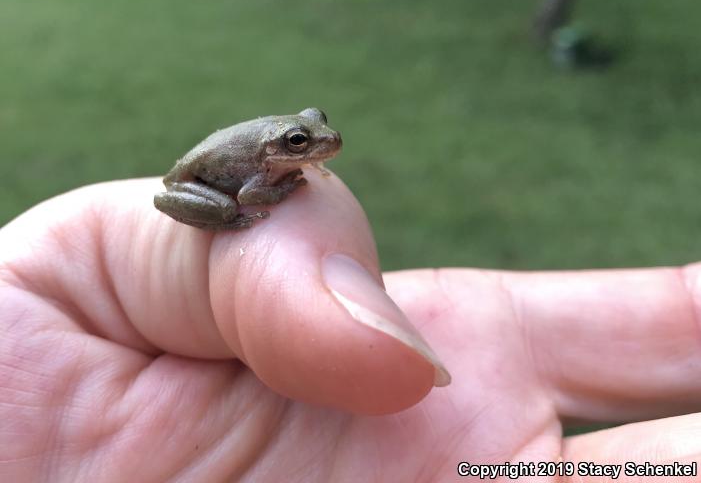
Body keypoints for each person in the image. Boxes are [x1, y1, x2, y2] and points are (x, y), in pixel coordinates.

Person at [1, 170, 699, 482]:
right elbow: (244, 193)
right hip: (204, 190)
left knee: (305, 285)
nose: (324, 146)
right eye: (305, 142)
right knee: (265, 240)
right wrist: (257, 206)